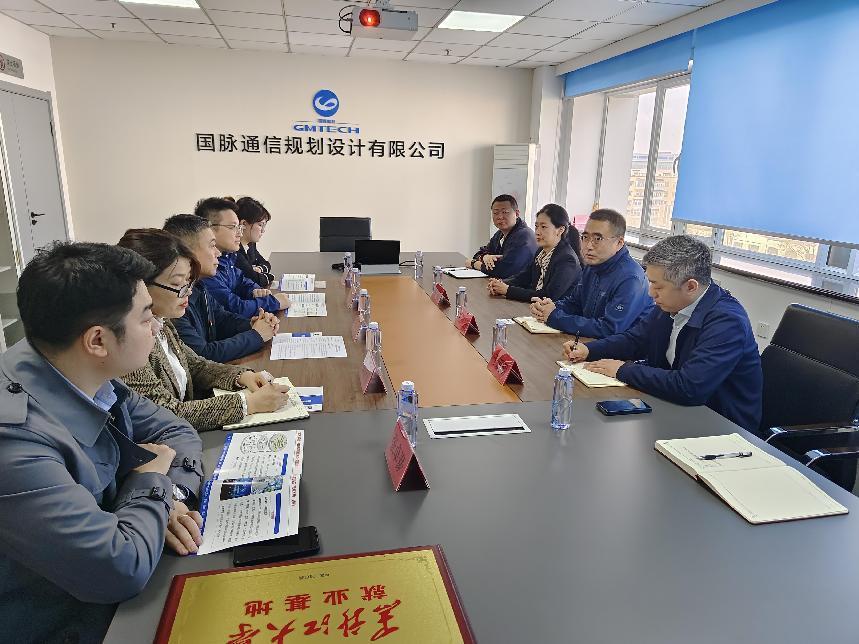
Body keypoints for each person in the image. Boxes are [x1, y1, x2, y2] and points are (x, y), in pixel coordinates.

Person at [0, 242, 204, 643]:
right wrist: (148, 485)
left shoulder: (74, 366)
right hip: (65, 622)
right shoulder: (15, 441)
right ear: (97, 340)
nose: (157, 327)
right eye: (145, 317)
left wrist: (168, 498)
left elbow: (177, 432)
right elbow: (118, 569)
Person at [563, 235, 762, 431]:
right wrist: (589, 350)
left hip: (720, 427)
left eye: (658, 286)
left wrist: (622, 370)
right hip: (674, 409)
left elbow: (689, 387)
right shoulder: (671, 303)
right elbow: (636, 339)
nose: (651, 293)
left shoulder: (727, 321)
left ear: (690, 286)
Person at [117, 229, 290, 431]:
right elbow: (167, 412)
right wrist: (248, 404)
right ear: (140, 286)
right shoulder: (127, 342)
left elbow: (196, 365)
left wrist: (243, 377)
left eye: (188, 281)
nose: (188, 291)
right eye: (178, 283)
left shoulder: (162, 320)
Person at [164, 213, 279, 362]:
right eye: (212, 246)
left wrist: (253, 324)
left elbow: (222, 318)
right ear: (188, 252)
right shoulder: (173, 300)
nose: (218, 253)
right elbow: (203, 355)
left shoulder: (198, 286)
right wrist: (256, 335)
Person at [530, 209, 653, 338]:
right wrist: (549, 307)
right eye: (585, 237)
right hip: (587, 341)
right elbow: (575, 303)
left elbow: (609, 329)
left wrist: (554, 316)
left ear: (619, 243)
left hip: (620, 348)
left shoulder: (631, 278)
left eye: (597, 239)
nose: (588, 246)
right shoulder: (593, 266)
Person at [194, 197, 290, 317]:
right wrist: (274, 302)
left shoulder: (227, 257)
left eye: (239, 227)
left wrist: (254, 290)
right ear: (210, 229)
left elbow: (241, 281)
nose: (240, 233)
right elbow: (236, 307)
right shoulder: (206, 269)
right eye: (233, 227)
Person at [487, 203, 582, 303]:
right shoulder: (541, 251)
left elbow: (548, 296)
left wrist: (507, 290)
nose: (537, 232)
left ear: (560, 230)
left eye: (543, 227)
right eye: (536, 226)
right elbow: (525, 276)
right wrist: (500, 283)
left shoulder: (567, 259)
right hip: (534, 306)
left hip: (553, 309)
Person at [468, 194, 537, 279]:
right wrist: (485, 257)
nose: (500, 217)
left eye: (505, 212)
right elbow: (480, 253)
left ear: (517, 214)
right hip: (502, 283)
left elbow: (505, 270)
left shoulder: (524, 236)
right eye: (495, 213)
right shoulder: (500, 234)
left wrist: (474, 264)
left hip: (522, 285)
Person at [234, 196, 275, 288]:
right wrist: (270, 276)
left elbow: (266, 264)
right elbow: (257, 280)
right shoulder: (235, 250)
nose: (263, 230)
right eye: (260, 225)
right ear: (244, 224)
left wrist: (259, 269)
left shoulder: (250, 244)